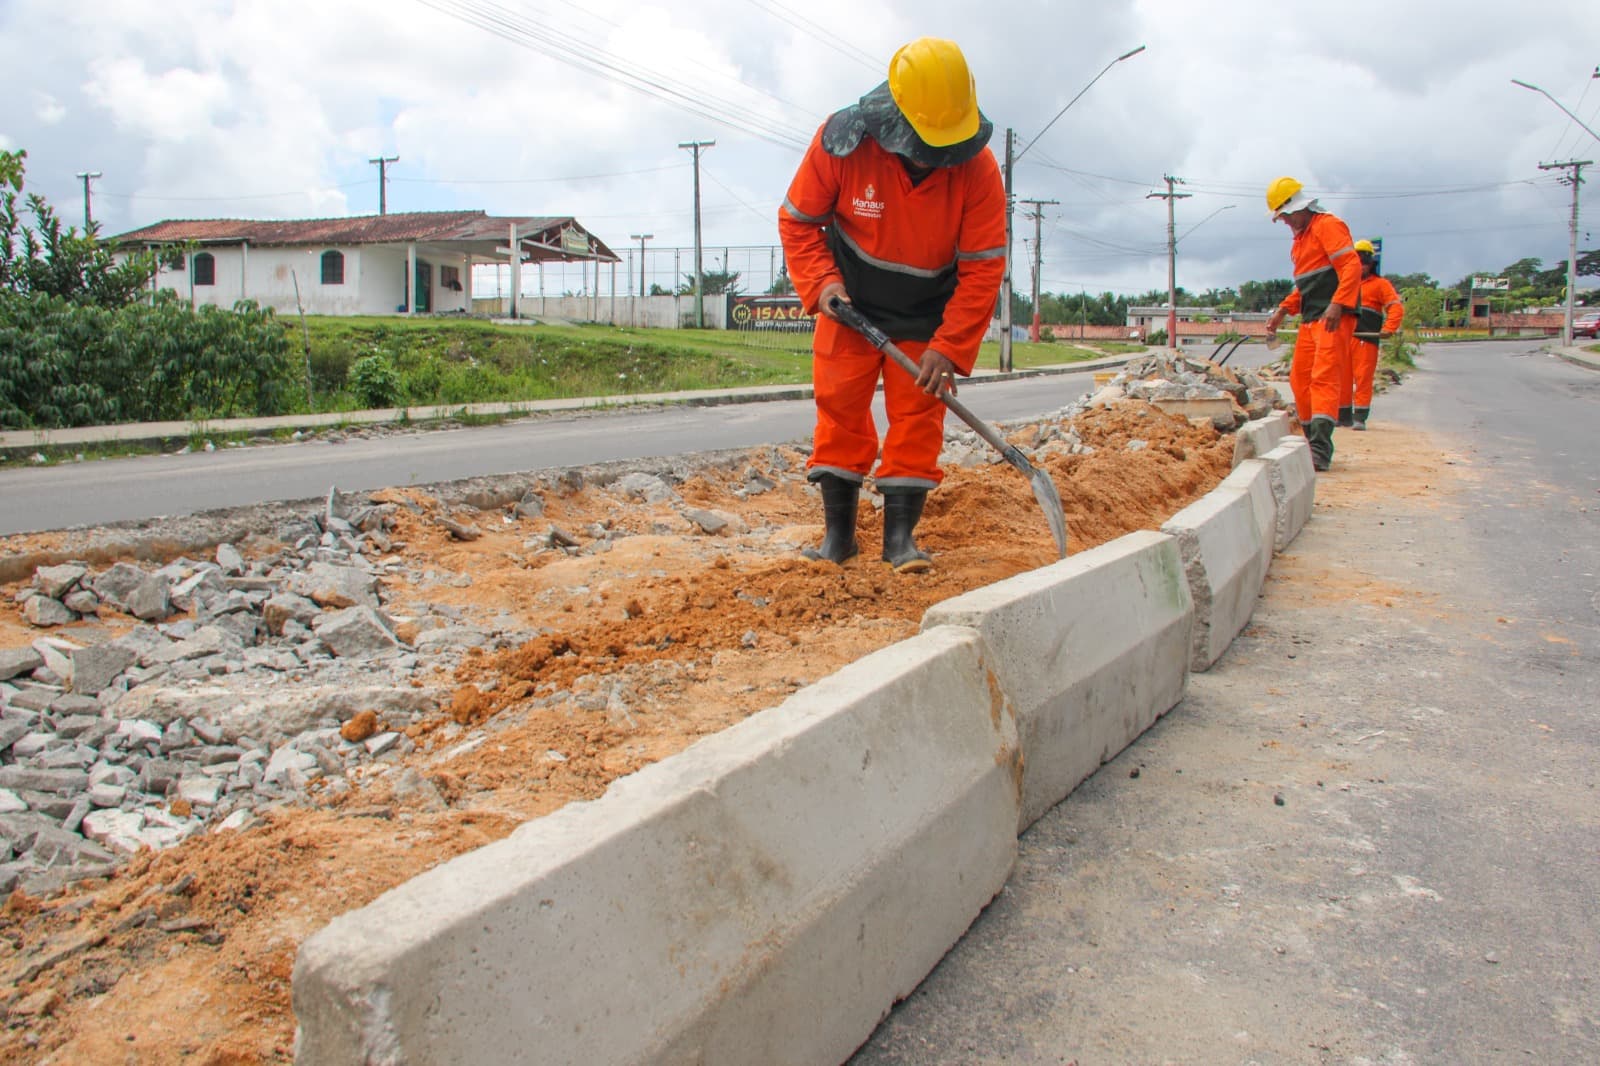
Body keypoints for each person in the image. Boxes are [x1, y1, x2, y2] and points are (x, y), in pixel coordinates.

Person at [777, 36, 1006, 572]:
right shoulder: (842, 143)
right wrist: (823, 285)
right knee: (838, 409)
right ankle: (839, 538)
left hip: (927, 314)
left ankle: (900, 539)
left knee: (918, 417)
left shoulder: (978, 169)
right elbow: (799, 222)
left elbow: (982, 267)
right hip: (849, 304)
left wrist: (948, 347)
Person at [1263, 177, 1362, 472]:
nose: (1284, 222)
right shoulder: (1301, 239)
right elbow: (1307, 286)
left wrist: (1338, 303)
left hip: (1332, 318)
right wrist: (1283, 310)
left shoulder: (1327, 226)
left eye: (1284, 216)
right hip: (1311, 318)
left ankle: (1320, 448)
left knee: (1323, 378)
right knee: (1300, 379)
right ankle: (1308, 441)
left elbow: (1351, 266)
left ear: (1296, 208)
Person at [1350, 239, 1404, 429]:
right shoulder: (1345, 283)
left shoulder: (1381, 285)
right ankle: (1341, 415)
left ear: (1370, 264)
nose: (1360, 267)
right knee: (1340, 378)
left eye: (1363, 263)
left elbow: (1395, 308)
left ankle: (1360, 417)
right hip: (1344, 338)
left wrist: (1389, 328)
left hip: (1367, 339)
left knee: (1363, 378)